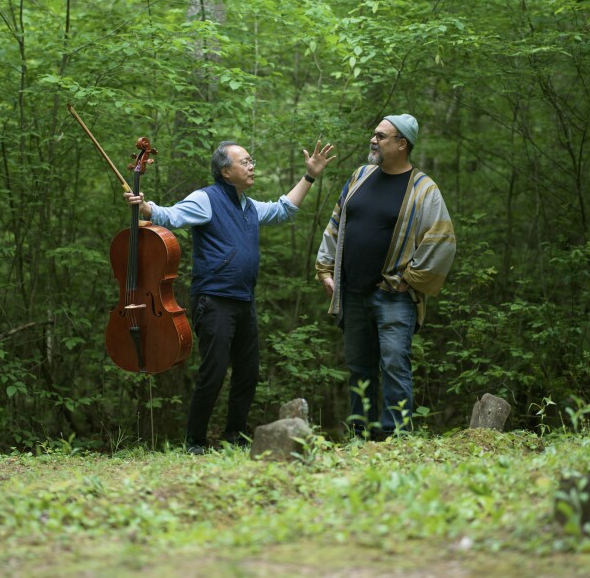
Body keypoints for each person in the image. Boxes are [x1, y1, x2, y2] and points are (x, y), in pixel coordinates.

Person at [126, 139, 335, 454]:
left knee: (248, 372)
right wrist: (146, 208)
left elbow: (283, 210)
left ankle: (234, 437)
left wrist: (310, 176)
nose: (252, 166)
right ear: (225, 171)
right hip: (214, 300)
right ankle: (195, 442)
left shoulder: (248, 206)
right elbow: (170, 216)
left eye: (252, 161)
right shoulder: (206, 199)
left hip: (243, 300)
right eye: (246, 162)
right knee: (214, 369)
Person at [315, 114, 456, 440]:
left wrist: (412, 277)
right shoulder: (360, 177)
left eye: (381, 136)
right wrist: (325, 269)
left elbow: (442, 239)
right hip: (352, 292)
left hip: (392, 295)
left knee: (394, 366)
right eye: (374, 135)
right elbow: (336, 225)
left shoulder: (423, 189)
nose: (373, 140)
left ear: (401, 144)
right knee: (359, 368)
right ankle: (360, 436)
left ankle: (395, 440)